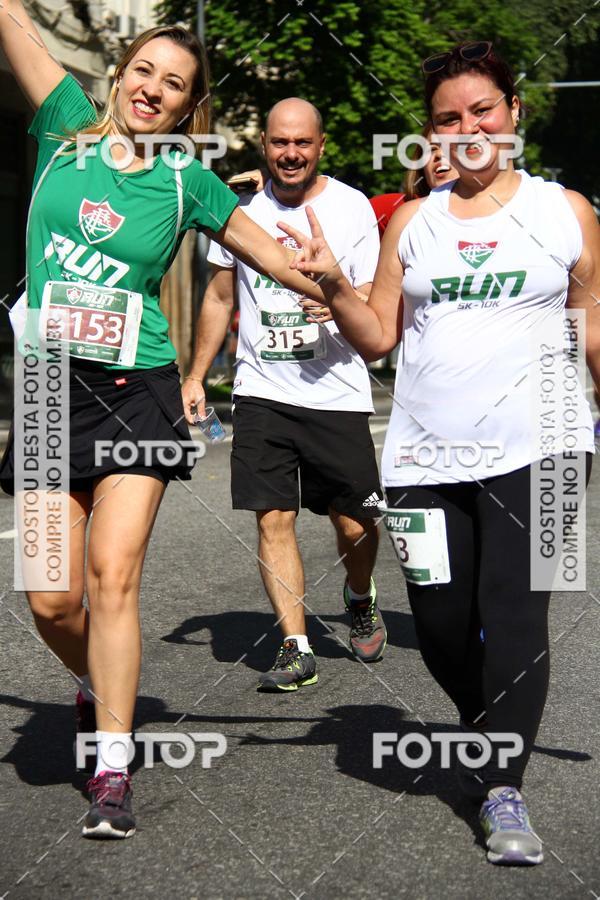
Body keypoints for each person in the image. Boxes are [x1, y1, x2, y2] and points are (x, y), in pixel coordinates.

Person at [0, 10, 328, 838]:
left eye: (174, 85)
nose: (153, 90)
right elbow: (17, 26)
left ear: (187, 111)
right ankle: (98, 687)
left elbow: (264, 251)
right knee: (48, 597)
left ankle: (113, 764)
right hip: (46, 386)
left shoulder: (188, 179)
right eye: (145, 71)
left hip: (136, 386)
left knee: (113, 575)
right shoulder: (64, 126)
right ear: (120, 74)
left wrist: (332, 287)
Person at [278, 41, 598, 866]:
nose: (468, 129)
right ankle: (486, 733)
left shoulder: (568, 210)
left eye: (483, 111)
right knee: (444, 625)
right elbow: (379, 332)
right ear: (430, 133)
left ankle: (501, 783)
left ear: (513, 112)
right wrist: (335, 288)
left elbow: (590, 321)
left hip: (551, 447)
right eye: (448, 119)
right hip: (424, 458)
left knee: (518, 619)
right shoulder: (413, 222)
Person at [182, 97, 386, 692]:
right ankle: (296, 646)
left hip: (336, 391)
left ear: (321, 146)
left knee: (354, 525)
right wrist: (197, 374)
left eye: (302, 143)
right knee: (273, 516)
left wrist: (340, 297)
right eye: (279, 142)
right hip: (262, 390)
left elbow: (375, 288)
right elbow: (220, 298)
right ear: (265, 146)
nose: (290, 153)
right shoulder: (237, 209)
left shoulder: (351, 209)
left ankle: (359, 593)